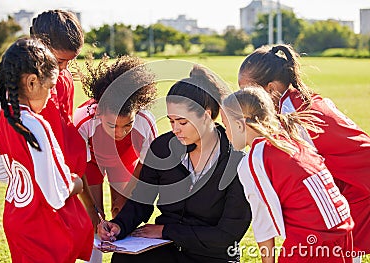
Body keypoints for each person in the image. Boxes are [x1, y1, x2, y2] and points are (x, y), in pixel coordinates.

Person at [97, 65, 252, 263]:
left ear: (205, 115)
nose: (175, 129)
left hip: (212, 255)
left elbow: (227, 235)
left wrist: (167, 231)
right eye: (171, 121)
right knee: (123, 259)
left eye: (182, 122)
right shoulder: (162, 147)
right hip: (167, 248)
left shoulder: (237, 161)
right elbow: (141, 201)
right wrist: (119, 225)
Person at [238, 44, 370, 257]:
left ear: (271, 89)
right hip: (350, 181)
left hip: (361, 186)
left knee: (341, 246)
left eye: (248, 91)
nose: (245, 98)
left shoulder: (294, 115)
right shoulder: (296, 101)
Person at [0, 10, 100, 229]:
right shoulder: (19, 88)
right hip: (40, 194)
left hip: (63, 183)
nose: (64, 68)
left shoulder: (63, 79)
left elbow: (63, 134)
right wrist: (35, 160)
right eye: (60, 60)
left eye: (71, 61)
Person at [221, 87, 354, 263]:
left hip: (312, 240)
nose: (225, 132)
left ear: (239, 125)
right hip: (343, 228)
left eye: (225, 125)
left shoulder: (254, 159)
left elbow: (264, 224)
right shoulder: (291, 139)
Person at [0, 37, 93, 262]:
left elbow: (4, 173)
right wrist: (76, 183)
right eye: (49, 87)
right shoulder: (36, 124)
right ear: (31, 83)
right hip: (41, 229)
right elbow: (55, 195)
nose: (50, 96)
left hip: (16, 219)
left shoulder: (5, 116)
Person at [74, 55, 158, 263]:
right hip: (90, 162)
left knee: (122, 213)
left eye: (127, 125)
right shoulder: (82, 120)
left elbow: (145, 166)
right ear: (99, 112)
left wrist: (125, 198)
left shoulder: (145, 121)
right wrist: (94, 213)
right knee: (95, 218)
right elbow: (79, 168)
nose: (120, 133)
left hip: (124, 160)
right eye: (112, 126)